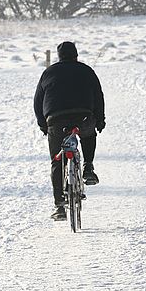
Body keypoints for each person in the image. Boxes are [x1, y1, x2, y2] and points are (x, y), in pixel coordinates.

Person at [34, 41, 106, 220]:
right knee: (88, 135)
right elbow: (98, 96)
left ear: (59, 57)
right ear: (76, 55)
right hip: (84, 117)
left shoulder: (48, 72)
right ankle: (88, 167)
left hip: (56, 121)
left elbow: (37, 102)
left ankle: (59, 206)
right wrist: (100, 121)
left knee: (57, 161)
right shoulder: (87, 70)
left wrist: (43, 125)